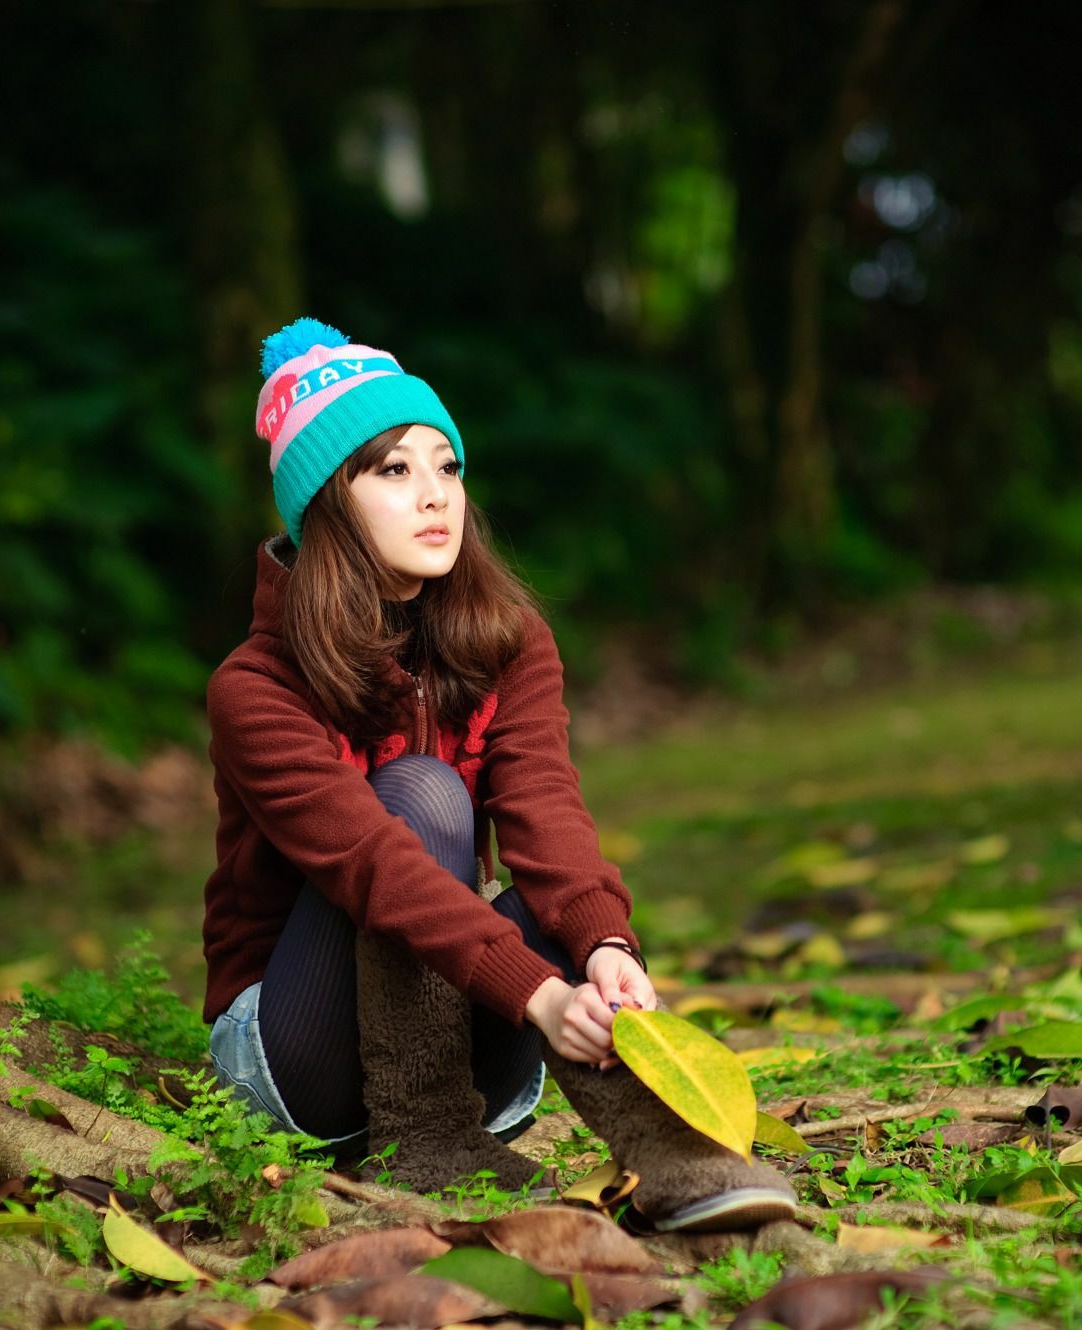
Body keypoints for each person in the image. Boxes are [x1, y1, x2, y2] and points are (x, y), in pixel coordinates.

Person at [200, 317, 795, 1233]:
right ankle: (425, 1138)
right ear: (324, 499)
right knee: (421, 794)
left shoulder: (507, 643)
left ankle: (687, 1165)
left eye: (448, 466)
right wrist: (540, 994)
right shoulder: (256, 687)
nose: (436, 495)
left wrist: (602, 949)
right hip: (295, 1055)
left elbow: (545, 811)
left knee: (555, 911)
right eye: (394, 471)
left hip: (457, 1036)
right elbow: (373, 869)